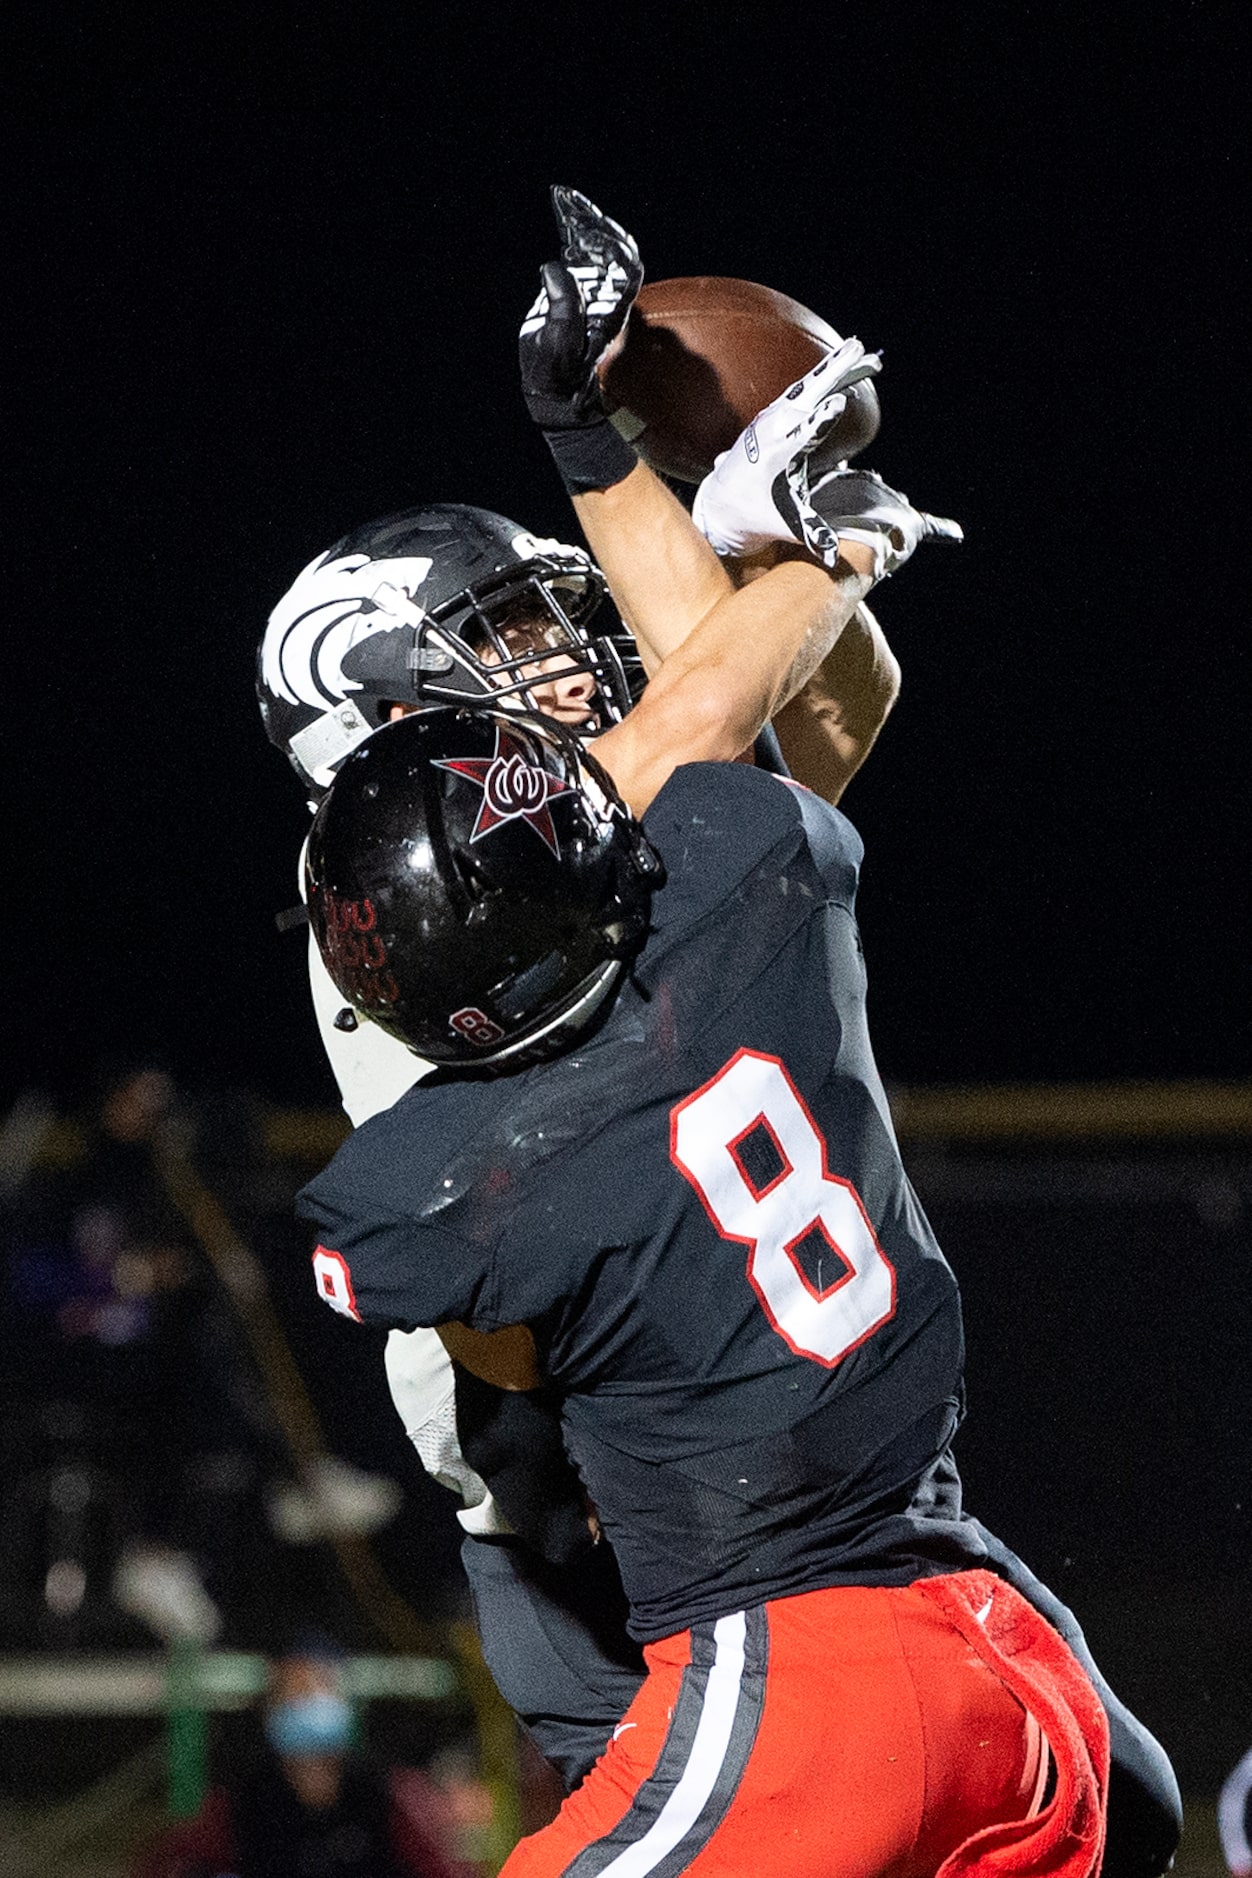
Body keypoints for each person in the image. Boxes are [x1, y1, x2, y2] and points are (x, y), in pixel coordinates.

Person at [261, 189, 1180, 1876]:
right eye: (506, 642)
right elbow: (715, 717)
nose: (555, 668)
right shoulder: (446, 900)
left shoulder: (539, 886)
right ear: (382, 708)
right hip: (595, 1509)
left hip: (756, 1505)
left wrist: (765, 543)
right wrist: (762, 517)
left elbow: (816, 702)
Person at [133, 1632, 474, 1878]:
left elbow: (444, 1868)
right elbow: (172, 1863)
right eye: (294, 1694)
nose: (309, 1704)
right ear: (270, 1714)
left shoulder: (391, 1796)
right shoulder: (241, 1805)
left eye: (321, 1689)